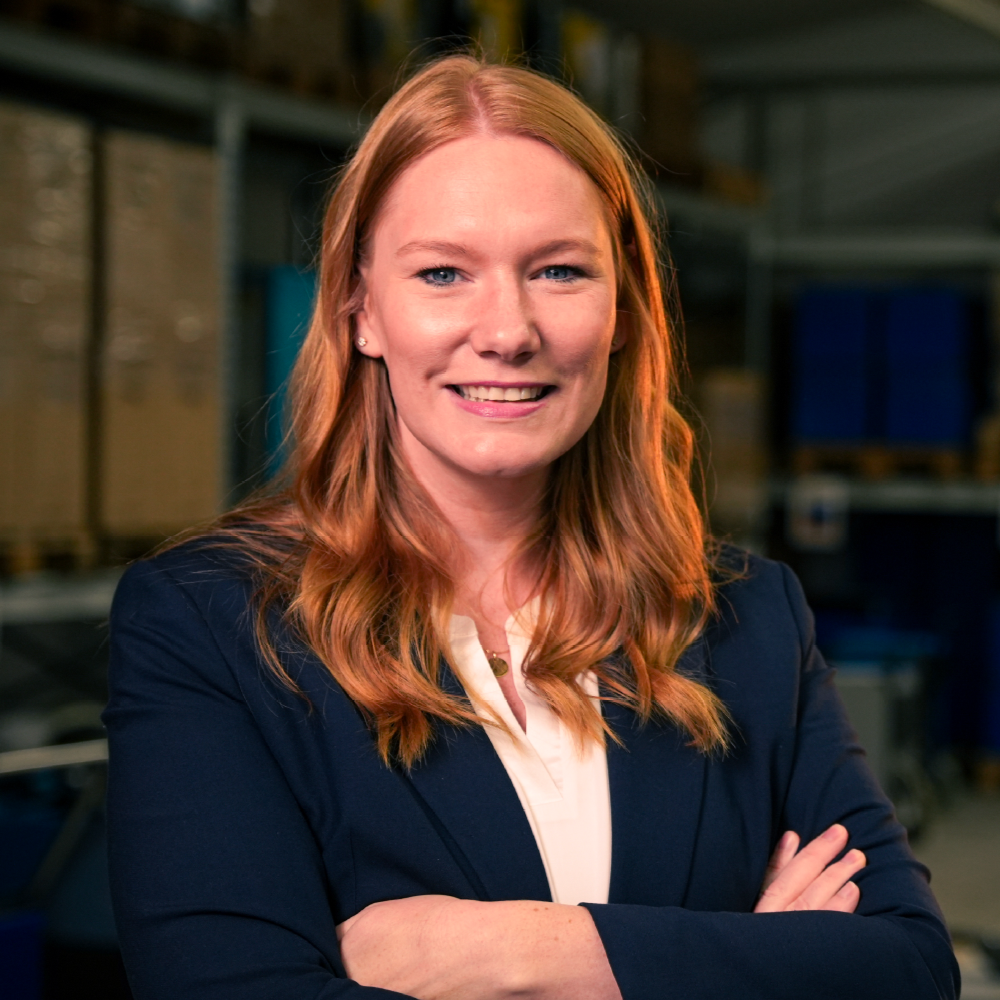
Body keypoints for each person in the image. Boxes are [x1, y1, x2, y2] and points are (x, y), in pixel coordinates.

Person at [103, 55, 958, 1000]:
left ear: (624, 307)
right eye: (443, 273)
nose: (507, 330)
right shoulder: (214, 626)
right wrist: (744, 957)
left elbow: (909, 968)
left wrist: (521, 955)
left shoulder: (749, 619)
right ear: (361, 312)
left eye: (558, 270)